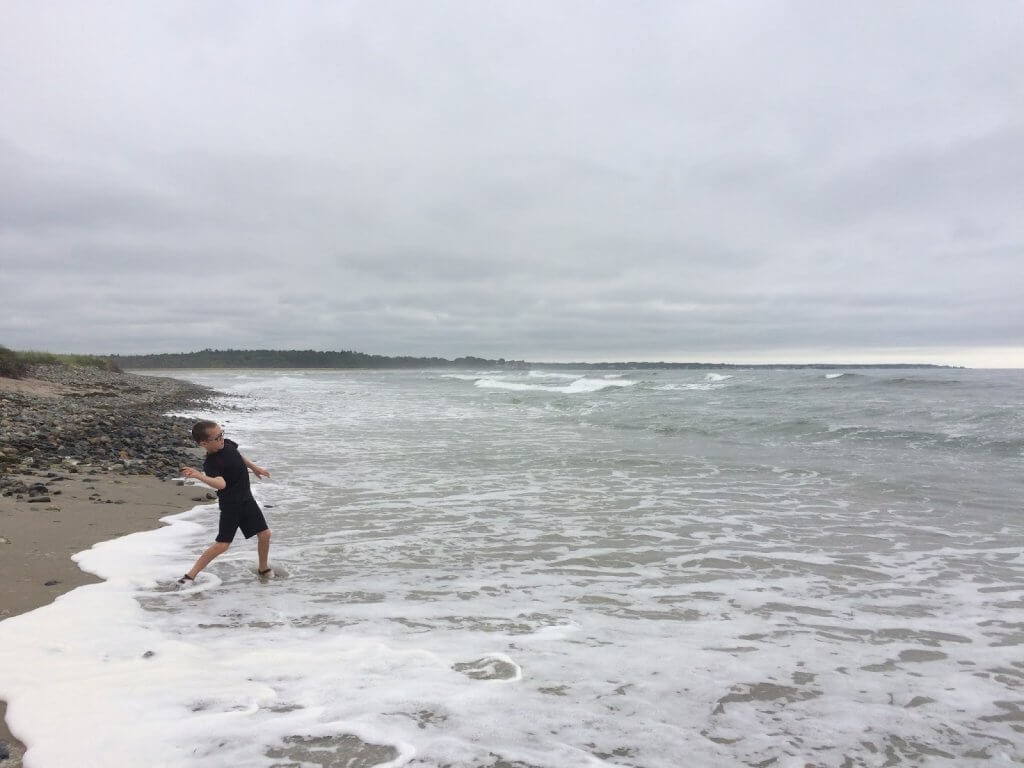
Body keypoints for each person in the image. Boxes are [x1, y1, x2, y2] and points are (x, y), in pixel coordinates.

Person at [178, 420, 273, 584]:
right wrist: (199, 476)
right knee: (222, 544)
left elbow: (238, 456)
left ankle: (263, 569)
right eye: (217, 437)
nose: (222, 438)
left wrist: (255, 468)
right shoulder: (212, 463)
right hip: (232, 506)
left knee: (265, 534)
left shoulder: (227, 444)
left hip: (246, 499)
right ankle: (190, 576)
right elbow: (221, 484)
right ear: (204, 443)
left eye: (222, 434)